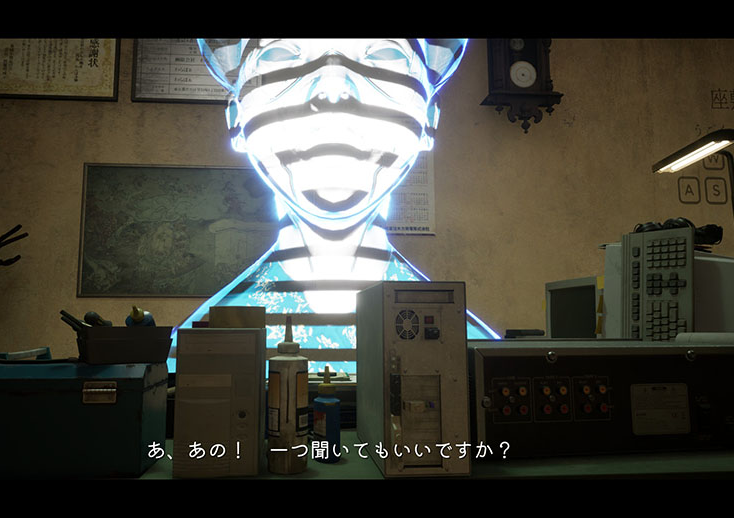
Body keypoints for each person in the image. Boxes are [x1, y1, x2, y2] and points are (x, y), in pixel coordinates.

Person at [177, 39, 499, 373]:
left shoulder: (470, 354)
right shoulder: (193, 352)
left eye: (385, 54)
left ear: (429, 117)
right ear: (236, 117)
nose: (333, 90)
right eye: (280, 53)